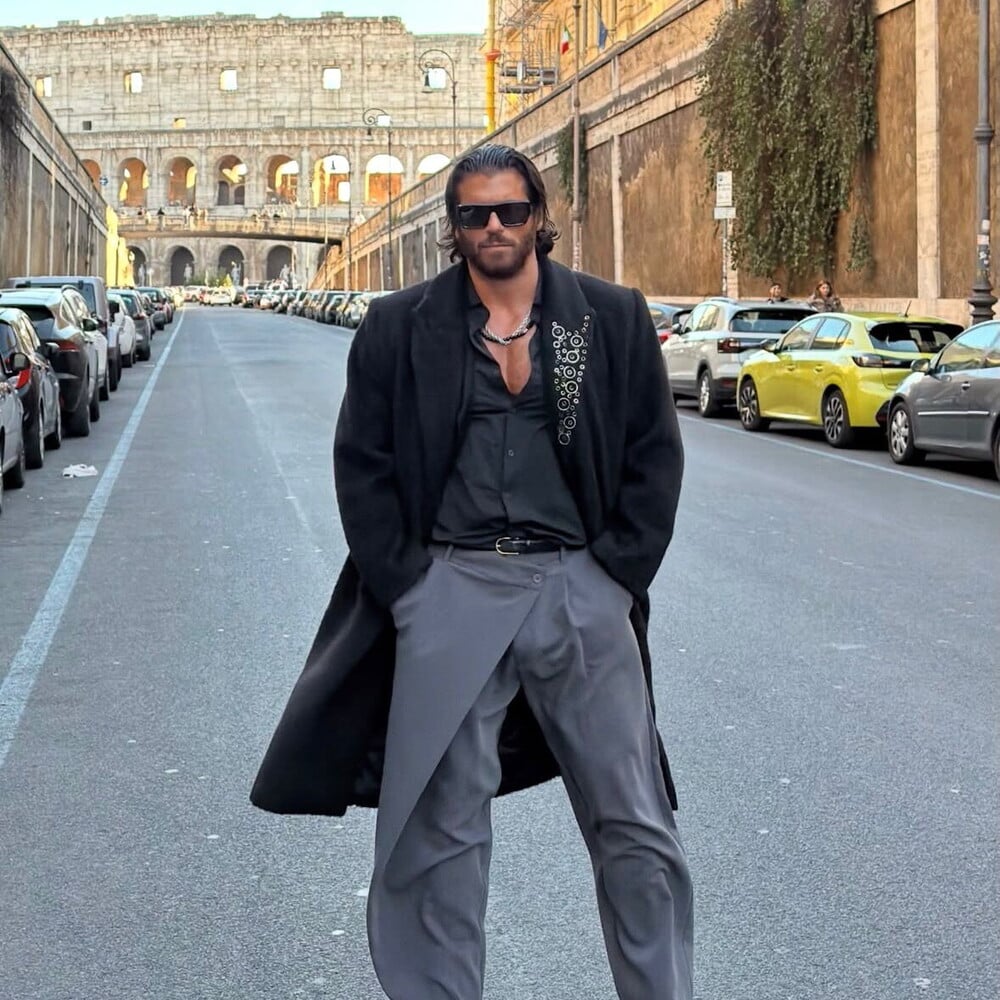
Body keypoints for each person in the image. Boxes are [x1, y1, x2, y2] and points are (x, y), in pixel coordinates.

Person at [250, 143, 693, 1000]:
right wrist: (412, 592)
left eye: (511, 210)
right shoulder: (399, 327)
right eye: (474, 214)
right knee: (439, 835)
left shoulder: (607, 318)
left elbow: (653, 457)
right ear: (452, 229)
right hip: (451, 590)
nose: (494, 226)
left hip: (578, 589)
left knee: (636, 827)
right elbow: (364, 468)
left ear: (540, 218)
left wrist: (614, 578)